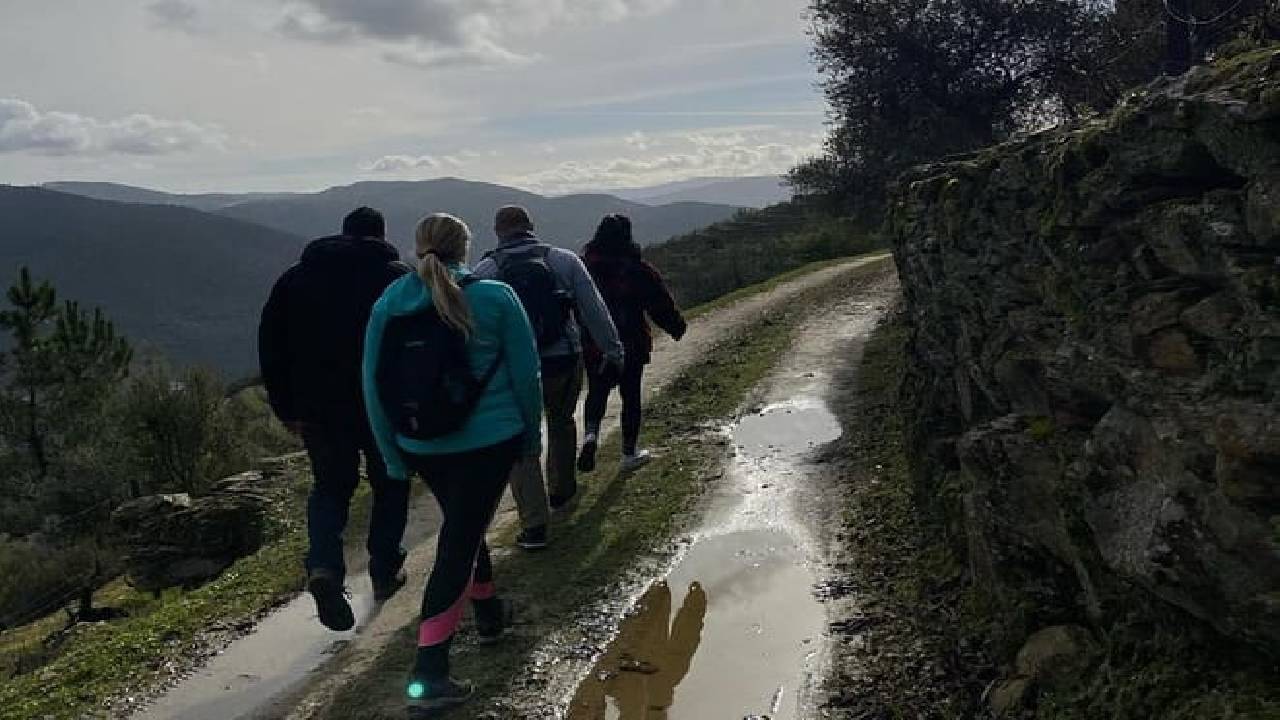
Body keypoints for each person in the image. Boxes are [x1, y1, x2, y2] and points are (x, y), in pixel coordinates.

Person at [363, 213, 543, 713]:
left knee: (466, 524)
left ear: (418, 247)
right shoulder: (496, 297)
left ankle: (486, 612)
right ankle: (429, 672)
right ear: (466, 248)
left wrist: (392, 455)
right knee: (459, 542)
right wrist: (532, 438)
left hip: (421, 445)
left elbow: (372, 385)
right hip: (491, 441)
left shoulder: (389, 303)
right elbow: (527, 376)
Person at [258, 206, 412, 632]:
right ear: (381, 234)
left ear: (342, 233)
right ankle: (384, 568)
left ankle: (325, 567)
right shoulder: (396, 277)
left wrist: (285, 408)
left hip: (318, 409)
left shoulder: (294, 279)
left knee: (330, 488)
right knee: (391, 482)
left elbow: (270, 346)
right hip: (381, 404)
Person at [472, 206, 623, 551]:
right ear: (531, 227)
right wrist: (613, 351)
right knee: (561, 421)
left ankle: (535, 525)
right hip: (563, 359)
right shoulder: (563, 260)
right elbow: (593, 308)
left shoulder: (486, 270)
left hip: (511, 368)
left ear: (498, 232)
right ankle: (562, 491)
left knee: (520, 440)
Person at [577, 214, 687, 474]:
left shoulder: (584, 268)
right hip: (631, 341)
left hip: (595, 343)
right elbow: (658, 302)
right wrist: (676, 327)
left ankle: (591, 436)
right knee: (631, 396)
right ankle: (629, 453)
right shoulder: (638, 269)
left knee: (597, 391)